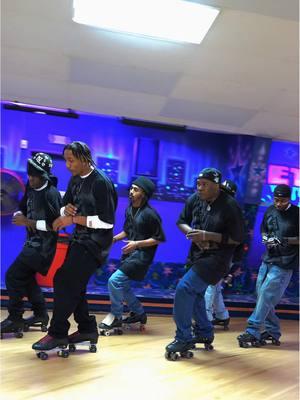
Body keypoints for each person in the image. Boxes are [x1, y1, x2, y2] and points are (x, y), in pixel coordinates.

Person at [32, 141, 118, 352]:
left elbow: (108, 222)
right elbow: (64, 206)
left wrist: (74, 219)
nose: (68, 165)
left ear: (84, 159)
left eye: (71, 160)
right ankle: (87, 328)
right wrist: (65, 210)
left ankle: (57, 333)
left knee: (63, 279)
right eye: (66, 160)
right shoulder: (75, 180)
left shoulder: (101, 182)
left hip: (96, 245)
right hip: (79, 240)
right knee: (74, 284)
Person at [165, 168, 244, 359]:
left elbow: (237, 238)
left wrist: (207, 236)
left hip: (218, 259)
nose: (199, 188)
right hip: (197, 254)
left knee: (184, 289)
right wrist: (192, 234)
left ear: (216, 186)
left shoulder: (229, 205)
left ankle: (183, 338)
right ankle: (204, 332)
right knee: (197, 294)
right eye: (198, 184)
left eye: (204, 185)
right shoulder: (195, 198)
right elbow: (181, 221)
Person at [1, 153, 62, 338]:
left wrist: (26, 221)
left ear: (44, 175)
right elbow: (23, 205)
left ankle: (15, 317)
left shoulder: (51, 195)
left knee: (12, 276)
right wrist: (19, 213)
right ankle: (41, 314)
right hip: (32, 243)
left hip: (44, 247)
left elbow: (54, 226)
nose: (31, 179)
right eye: (29, 175)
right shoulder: (31, 185)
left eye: (35, 176)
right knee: (27, 279)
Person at [99, 176, 165, 333]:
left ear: (144, 193)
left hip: (142, 257)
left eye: (136, 189)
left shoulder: (150, 214)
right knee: (125, 287)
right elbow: (128, 231)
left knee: (114, 281)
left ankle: (116, 316)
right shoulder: (130, 209)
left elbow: (159, 238)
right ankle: (140, 313)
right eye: (131, 188)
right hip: (130, 254)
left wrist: (137, 244)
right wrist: (114, 239)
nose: (131, 192)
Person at [237, 184, 299, 347]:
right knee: (262, 295)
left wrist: (284, 241)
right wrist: (266, 239)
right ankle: (272, 331)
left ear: (290, 198)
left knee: (266, 293)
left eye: (283, 201)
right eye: (276, 200)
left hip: (286, 261)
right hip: (269, 257)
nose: (279, 204)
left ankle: (252, 330)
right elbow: (263, 229)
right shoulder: (270, 210)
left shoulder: (297, 214)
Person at [205, 179, 244, 330]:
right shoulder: (216, 208)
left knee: (210, 285)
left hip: (225, 256)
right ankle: (222, 316)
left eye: (225, 192)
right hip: (216, 254)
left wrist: (233, 264)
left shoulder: (232, 212)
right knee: (214, 286)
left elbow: (238, 239)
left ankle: (206, 319)